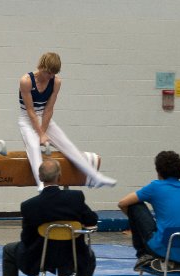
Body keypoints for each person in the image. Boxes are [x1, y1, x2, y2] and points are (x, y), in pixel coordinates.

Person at [0, 159, 98, 276]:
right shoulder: (75, 198)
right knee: (90, 256)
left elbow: (25, 238)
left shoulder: (29, 206)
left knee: (8, 250)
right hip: (72, 259)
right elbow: (92, 220)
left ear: (39, 177)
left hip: (40, 258)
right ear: (59, 176)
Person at [18, 52, 116, 190]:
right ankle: (42, 185)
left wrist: (43, 132)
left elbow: (49, 109)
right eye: (48, 73)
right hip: (27, 120)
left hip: (46, 119)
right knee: (34, 147)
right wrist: (40, 135)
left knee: (67, 145)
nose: (51, 76)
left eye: (54, 73)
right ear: (41, 67)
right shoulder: (26, 81)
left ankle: (95, 176)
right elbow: (30, 112)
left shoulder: (56, 82)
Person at [117, 150, 180, 272]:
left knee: (135, 205)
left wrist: (136, 222)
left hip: (162, 248)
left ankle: (143, 254)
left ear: (158, 171)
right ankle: (175, 261)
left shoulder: (156, 186)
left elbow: (122, 203)